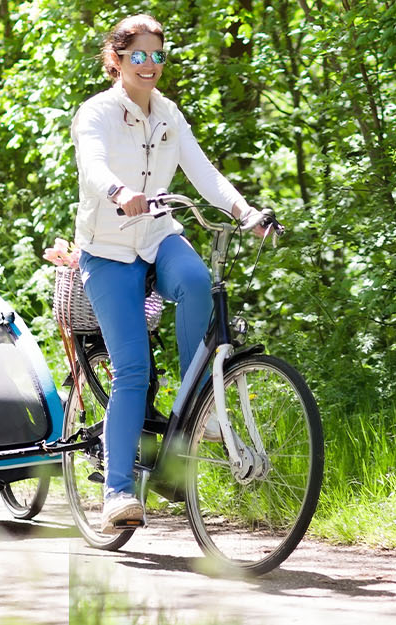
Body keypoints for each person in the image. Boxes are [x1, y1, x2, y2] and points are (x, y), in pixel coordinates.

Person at [71, 14, 268, 533]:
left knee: (199, 281)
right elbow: (93, 168)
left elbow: (203, 172)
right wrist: (119, 193)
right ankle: (117, 491)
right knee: (132, 370)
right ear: (116, 60)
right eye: (139, 55)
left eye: (159, 55)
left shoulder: (168, 115)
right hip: (108, 249)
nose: (151, 65)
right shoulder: (96, 114)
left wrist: (244, 213)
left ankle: (195, 400)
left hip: (157, 235)